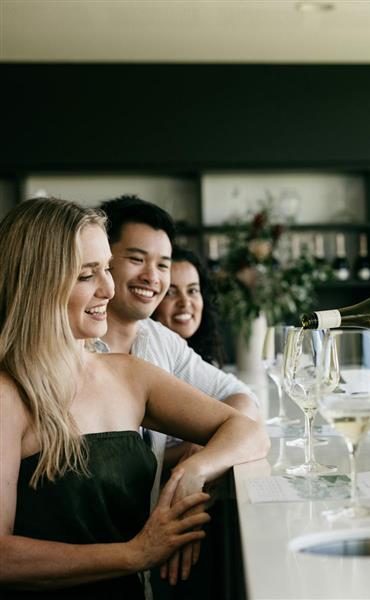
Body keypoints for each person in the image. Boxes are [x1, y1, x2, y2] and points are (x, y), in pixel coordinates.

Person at [0, 198, 269, 598]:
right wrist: (135, 554)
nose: (108, 288)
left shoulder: (129, 373)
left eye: (107, 268)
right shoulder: (9, 392)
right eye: (87, 275)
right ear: (38, 281)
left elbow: (248, 431)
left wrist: (193, 472)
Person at [96, 195, 259, 507]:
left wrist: (204, 456)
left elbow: (241, 398)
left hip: (157, 525)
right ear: (102, 259)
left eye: (162, 264)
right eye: (136, 259)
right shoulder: (71, 345)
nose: (152, 276)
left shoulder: (159, 338)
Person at [153, 246, 225, 368]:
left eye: (192, 290)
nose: (185, 302)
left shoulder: (207, 359)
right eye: (170, 292)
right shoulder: (149, 362)